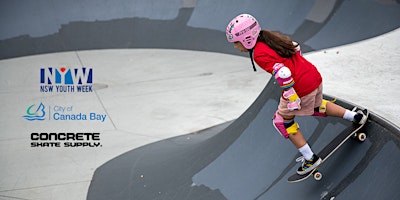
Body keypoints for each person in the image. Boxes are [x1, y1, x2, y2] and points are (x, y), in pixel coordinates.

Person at [226, 14, 367, 175]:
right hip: (313, 75)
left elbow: (283, 72)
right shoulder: (272, 38)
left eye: (236, 43)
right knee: (316, 106)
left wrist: (292, 96)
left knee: (282, 121)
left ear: (247, 39)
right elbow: (296, 48)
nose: (235, 47)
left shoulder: (258, 53)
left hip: (299, 86)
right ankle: (355, 116)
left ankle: (310, 158)